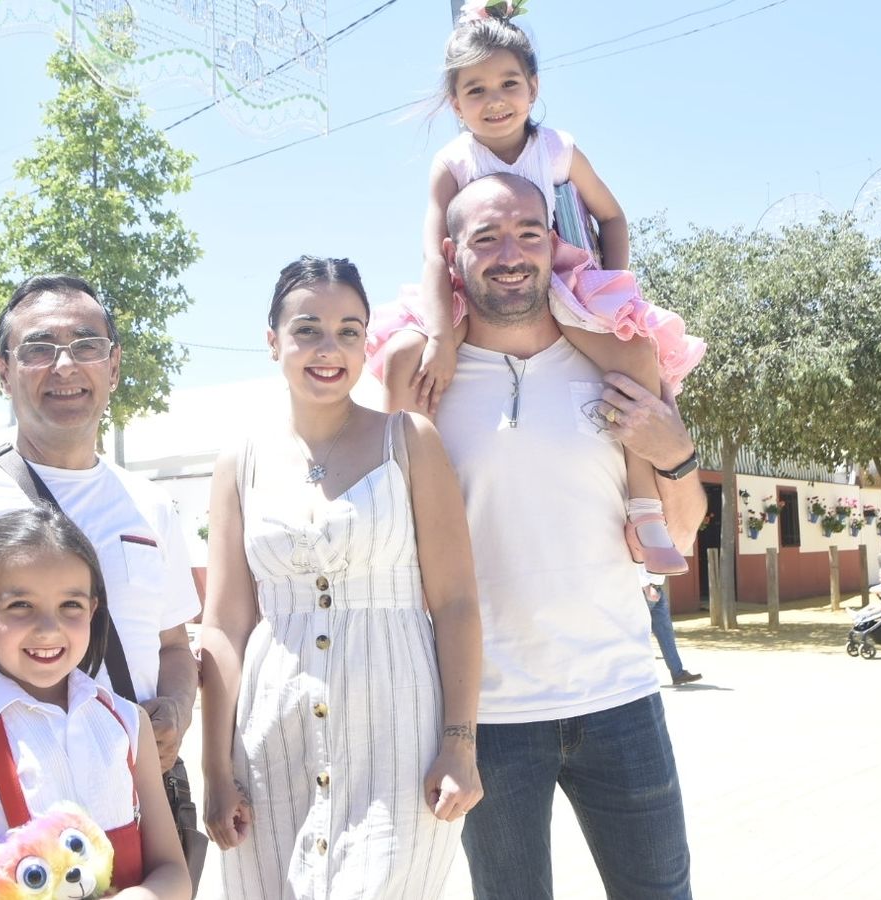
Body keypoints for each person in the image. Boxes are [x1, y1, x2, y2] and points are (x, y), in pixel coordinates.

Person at [433, 173, 706, 899]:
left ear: (555, 245)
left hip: (621, 699)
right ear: (451, 252)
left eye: (528, 231)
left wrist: (674, 448)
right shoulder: (427, 387)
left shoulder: (614, 361)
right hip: (488, 720)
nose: (510, 252)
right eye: (485, 237)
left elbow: (679, 532)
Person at [364, 2, 704, 577]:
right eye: (475, 90)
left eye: (508, 84)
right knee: (407, 360)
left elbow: (613, 217)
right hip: (469, 288)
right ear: (455, 103)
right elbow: (432, 252)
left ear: (534, 87)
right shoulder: (453, 162)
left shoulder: (558, 149)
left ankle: (646, 508)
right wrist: (443, 338)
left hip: (564, 280)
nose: (494, 100)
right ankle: (398, 507)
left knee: (636, 358)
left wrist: (612, 289)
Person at [200, 256, 485, 898]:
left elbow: (458, 601)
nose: (329, 349)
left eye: (349, 331)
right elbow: (224, 625)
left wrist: (460, 743)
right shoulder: (238, 461)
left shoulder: (409, 440)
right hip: (273, 746)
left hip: (399, 742)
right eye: (308, 330)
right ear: (272, 340)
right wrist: (216, 767)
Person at [0, 275, 200, 799]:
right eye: (37, 349)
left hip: (132, 811)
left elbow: (173, 647)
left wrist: (176, 710)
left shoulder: (150, 505)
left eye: (87, 346)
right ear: (3, 371)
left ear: (114, 366)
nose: (64, 366)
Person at [0, 506, 190, 899]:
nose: (48, 630)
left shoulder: (127, 723)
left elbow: (173, 871)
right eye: (21, 605)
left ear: (92, 610)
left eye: (70, 605)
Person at [643, 574, 701, 686]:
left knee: (666, 634)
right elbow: (639, 564)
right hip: (645, 591)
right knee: (639, 636)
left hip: (656, 589)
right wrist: (647, 588)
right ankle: (639, 677)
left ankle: (678, 674)